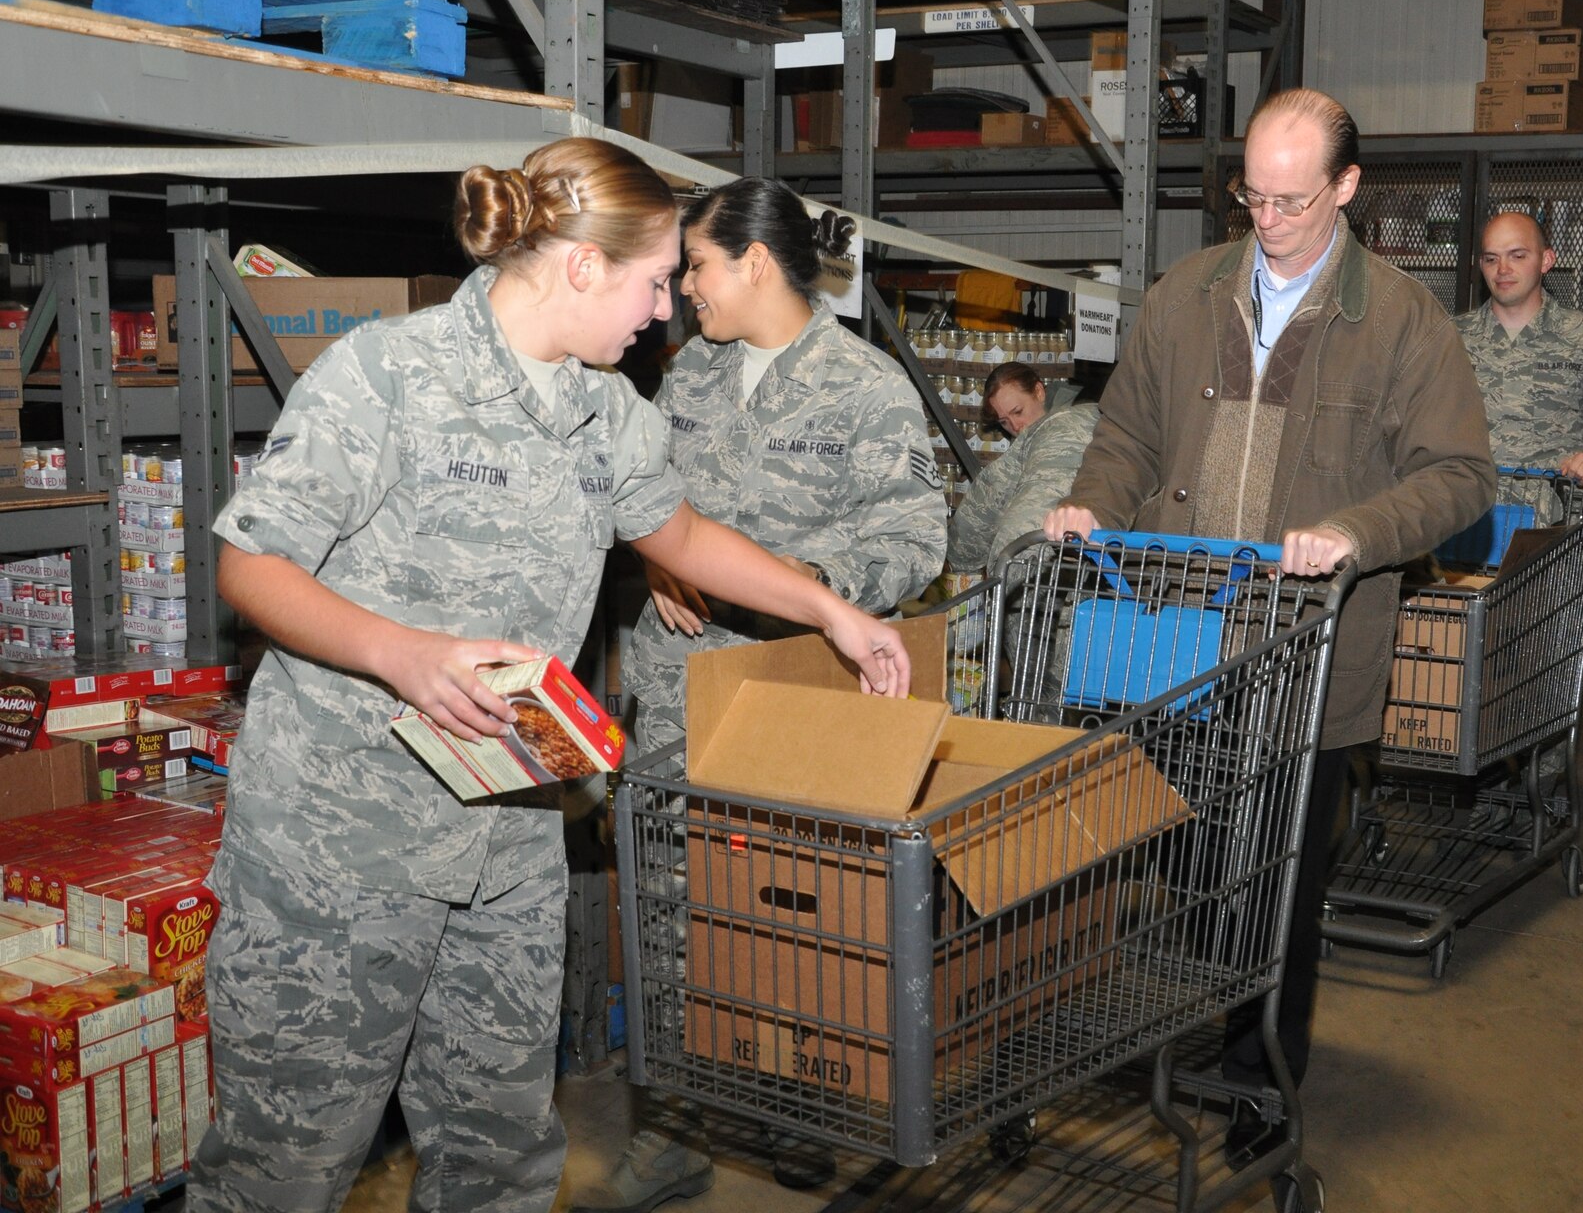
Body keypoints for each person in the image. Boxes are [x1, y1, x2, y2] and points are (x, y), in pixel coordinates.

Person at [188, 139, 912, 1213]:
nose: (665, 308)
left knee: (499, 1151)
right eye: (654, 279)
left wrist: (829, 607)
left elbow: (678, 529)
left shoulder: (607, 408)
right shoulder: (390, 373)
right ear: (580, 265)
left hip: (509, 828)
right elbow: (249, 560)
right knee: (284, 1163)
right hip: (341, 845)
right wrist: (403, 652)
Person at [1045, 87, 1495, 1165]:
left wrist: (1355, 527)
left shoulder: (1399, 321)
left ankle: (1257, 1076)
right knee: (1193, 865)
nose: (1268, 216)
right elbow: (1126, 436)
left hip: (1305, 651)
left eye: (1292, 197)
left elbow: (1460, 476)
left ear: (1346, 187)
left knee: (1279, 884)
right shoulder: (1183, 294)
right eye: (1251, 192)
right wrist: (1089, 503)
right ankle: (1178, 1021)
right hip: (1173, 638)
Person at [585, 176, 946, 1211]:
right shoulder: (685, 376)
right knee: (666, 909)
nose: (681, 288)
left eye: (694, 264)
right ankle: (671, 1124)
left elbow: (915, 538)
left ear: (751, 261)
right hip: (674, 687)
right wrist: (661, 561)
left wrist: (790, 580)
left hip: (791, 695)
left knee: (787, 911)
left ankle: (798, 1111)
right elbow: (645, 504)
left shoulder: (863, 386)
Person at [1455, 211, 1583, 526]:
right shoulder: (1452, 339)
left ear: (1546, 260)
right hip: (1467, 521)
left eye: (1517, 256)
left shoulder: (1582, 336)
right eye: (1491, 259)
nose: (1503, 269)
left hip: (1551, 529)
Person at [947, 361, 1099, 577]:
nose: (1016, 426)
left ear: (1038, 392)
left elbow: (986, 504)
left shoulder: (1061, 427)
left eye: (1018, 412)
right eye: (1004, 422)